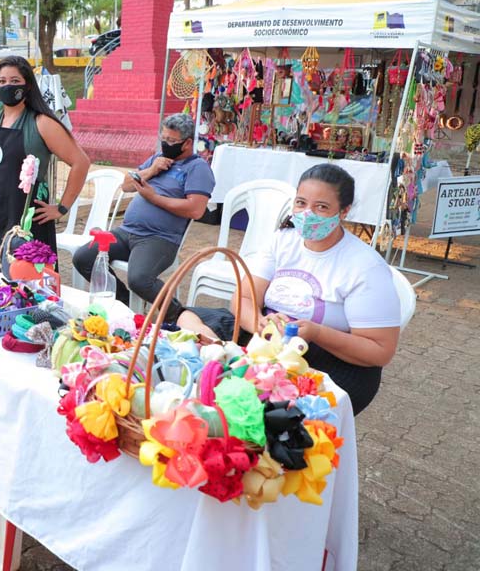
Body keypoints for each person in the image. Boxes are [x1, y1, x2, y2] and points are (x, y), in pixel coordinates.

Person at [177, 164, 401, 415]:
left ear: (344, 211)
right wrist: (260, 323)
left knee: (272, 408)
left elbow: (380, 351)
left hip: (329, 357)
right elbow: (244, 298)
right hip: (270, 339)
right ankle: (221, 355)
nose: (307, 213)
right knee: (182, 318)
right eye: (301, 203)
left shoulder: (364, 266)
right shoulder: (283, 240)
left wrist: (316, 333)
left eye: (321, 207)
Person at [0, 55, 90, 258]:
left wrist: (61, 208)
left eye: (15, 81)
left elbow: (80, 162)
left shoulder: (42, 123)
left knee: (20, 286)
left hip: (23, 225)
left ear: (28, 85)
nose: (7, 86)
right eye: (2, 81)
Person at [72, 113, 214, 319]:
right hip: (126, 231)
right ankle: (125, 302)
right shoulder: (158, 158)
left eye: (172, 141)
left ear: (188, 143)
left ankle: (178, 314)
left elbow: (195, 209)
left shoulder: (197, 168)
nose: (166, 144)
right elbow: (127, 185)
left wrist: (154, 198)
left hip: (158, 239)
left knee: (139, 279)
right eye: (163, 139)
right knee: (84, 257)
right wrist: (151, 170)